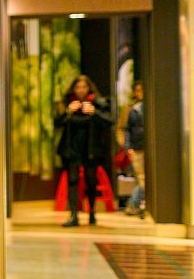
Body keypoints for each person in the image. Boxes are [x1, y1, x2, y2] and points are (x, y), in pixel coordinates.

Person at [55, 75, 114, 226]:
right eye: (78, 87)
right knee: (72, 180)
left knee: (91, 180)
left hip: (91, 147)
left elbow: (110, 121)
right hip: (72, 147)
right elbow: (56, 122)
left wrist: (94, 112)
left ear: (89, 88)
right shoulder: (67, 103)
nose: (81, 90)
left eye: (84, 87)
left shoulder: (98, 103)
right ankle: (74, 214)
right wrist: (68, 111)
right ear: (74, 89)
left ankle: (92, 211)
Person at [123, 82, 147, 216]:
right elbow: (126, 129)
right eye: (137, 90)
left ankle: (135, 203)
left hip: (147, 147)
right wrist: (127, 146)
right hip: (136, 147)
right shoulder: (132, 109)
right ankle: (134, 203)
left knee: (143, 179)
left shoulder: (148, 107)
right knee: (141, 178)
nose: (139, 93)